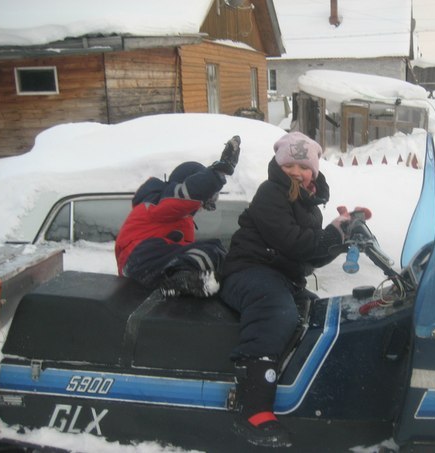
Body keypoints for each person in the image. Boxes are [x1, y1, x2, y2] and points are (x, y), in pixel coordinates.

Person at [220, 131, 354, 447]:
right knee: (276, 311)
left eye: (304, 166)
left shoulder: (310, 206)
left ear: (314, 172)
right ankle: (253, 406)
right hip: (247, 271)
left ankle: (305, 390)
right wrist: (331, 236)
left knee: (319, 315)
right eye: (289, 165)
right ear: (278, 166)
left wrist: (343, 234)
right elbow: (291, 241)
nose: (296, 171)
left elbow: (311, 255)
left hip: (282, 278)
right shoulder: (271, 193)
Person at [115, 136, 240, 298]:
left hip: (150, 266)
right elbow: (188, 194)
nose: (202, 207)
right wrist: (218, 173)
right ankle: (179, 278)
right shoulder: (157, 201)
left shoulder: (181, 217)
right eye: (206, 199)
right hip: (141, 258)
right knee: (213, 250)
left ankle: (182, 281)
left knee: (214, 254)